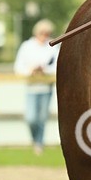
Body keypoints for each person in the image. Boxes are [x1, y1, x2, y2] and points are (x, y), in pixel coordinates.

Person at [14, 19, 58, 154]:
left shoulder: (52, 46)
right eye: (42, 33)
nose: (44, 35)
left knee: (42, 117)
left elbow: (56, 66)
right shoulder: (27, 46)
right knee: (31, 118)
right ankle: (36, 141)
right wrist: (31, 70)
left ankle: (39, 144)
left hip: (46, 87)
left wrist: (45, 70)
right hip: (31, 87)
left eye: (47, 33)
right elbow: (18, 67)